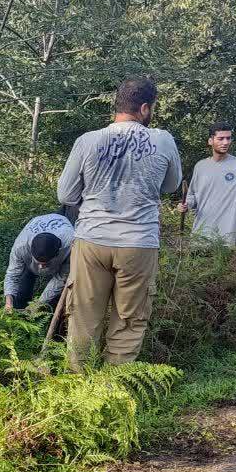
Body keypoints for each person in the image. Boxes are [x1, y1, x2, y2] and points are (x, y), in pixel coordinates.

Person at [56, 78, 183, 371]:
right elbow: (172, 184)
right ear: (144, 107)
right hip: (138, 242)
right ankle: (116, 384)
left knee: (85, 317)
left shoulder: (88, 140)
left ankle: (78, 385)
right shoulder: (162, 139)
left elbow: (66, 194)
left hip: (92, 239)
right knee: (129, 319)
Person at [4, 213, 75, 312]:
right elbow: (12, 274)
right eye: (39, 263)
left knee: (53, 299)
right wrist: (8, 302)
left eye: (45, 264)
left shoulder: (71, 245)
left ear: (58, 253)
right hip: (30, 256)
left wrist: (38, 304)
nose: (41, 267)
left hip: (62, 236)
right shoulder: (21, 246)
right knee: (23, 289)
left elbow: (61, 278)